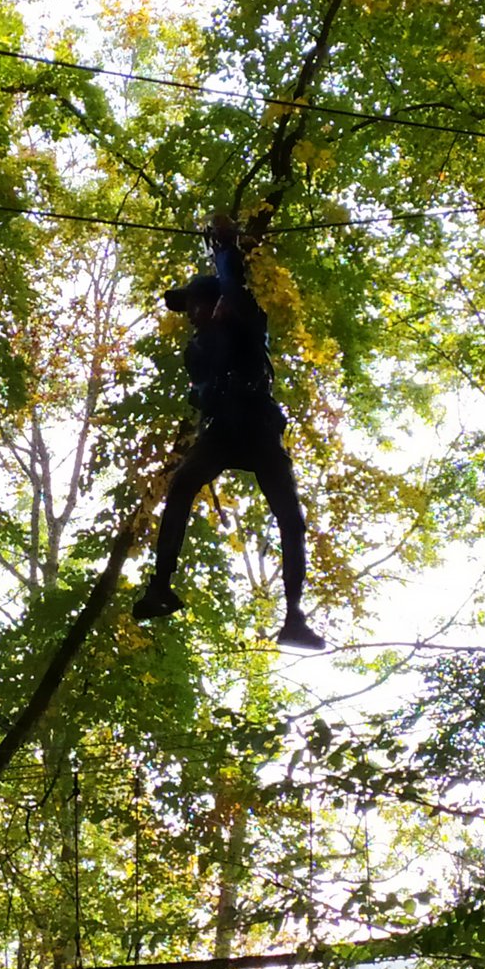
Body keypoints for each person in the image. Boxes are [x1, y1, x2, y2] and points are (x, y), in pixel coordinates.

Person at [132, 216, 325, 650]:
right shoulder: (198, 347)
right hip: (222, 429)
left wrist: (225, 249)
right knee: (181, 485)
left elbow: (234, 288)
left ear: (216, 302)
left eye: (195, 305)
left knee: (291, 519)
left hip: (257, 427)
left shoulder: (248, 324)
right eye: (187, 308)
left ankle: (294, 617)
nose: (190, 315)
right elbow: (202, 388)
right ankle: (160, 586)